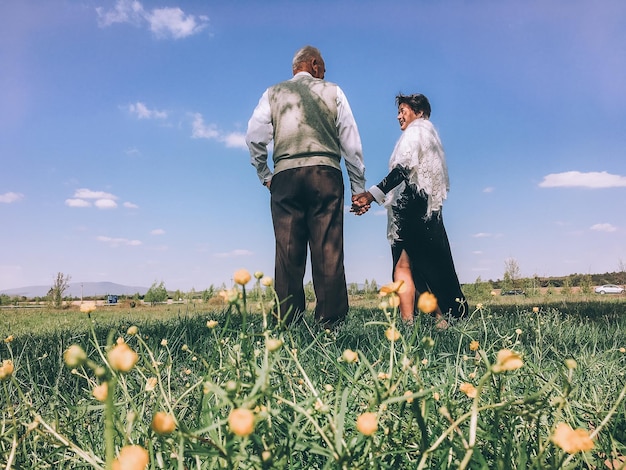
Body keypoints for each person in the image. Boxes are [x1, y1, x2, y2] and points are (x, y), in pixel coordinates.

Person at [246, 45, 366, 326]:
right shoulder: (334, 91)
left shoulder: (272, 93)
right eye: (323, 69)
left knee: (287, 252)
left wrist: (266, 174)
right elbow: (351, 142)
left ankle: (287, 322)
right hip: (325, 174)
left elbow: (254, 136)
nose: (324, 75)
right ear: (313, 65)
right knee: (328, 250)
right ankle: (331, 323)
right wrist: (357, 186)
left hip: (286, 176)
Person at [352, 93, 465, 323]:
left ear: (419, 112)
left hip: (411, 208)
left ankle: (410, 322)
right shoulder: (431, 136)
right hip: (424, 208)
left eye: (403, 111)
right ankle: (438, 319)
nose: (398, 116)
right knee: (425, 264)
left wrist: (371, 195)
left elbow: (402, 169)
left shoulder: (417, 132)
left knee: (405, 265)